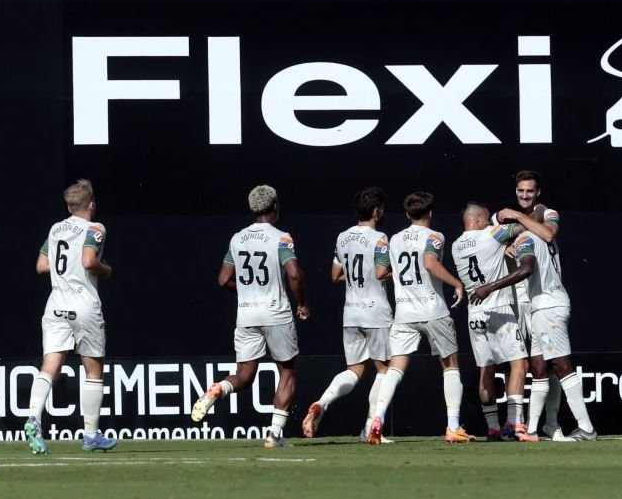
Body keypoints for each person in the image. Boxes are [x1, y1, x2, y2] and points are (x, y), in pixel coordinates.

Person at [191, 185, 310, 448]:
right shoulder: (281, 237)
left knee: (243, 376)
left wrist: (247, 290)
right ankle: (274, 435)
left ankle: (218, 388)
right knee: (287, 373)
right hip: (276, 313)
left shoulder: (237, 238)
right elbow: (294, 273)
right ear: (276, 206)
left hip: (246, 314)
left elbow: (223, 279)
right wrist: (302, 304)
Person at [471, 227, 597, 442]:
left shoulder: (528, 237)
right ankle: (536, 428)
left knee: (561, 366)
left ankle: (585, 428)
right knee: (540, 368)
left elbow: (528, 268)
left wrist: (490, 287)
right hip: (539, 307)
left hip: (548, 307)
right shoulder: (542, 236)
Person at [366, 191, 472, 444]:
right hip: (433, 309)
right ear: (431, 213)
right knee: (450, 366)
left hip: (404, 312)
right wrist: (457, 283)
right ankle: (453, 427)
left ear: (406, 214)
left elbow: (381, 272)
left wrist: (401, 277)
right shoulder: (435, 236)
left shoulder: (393, 239)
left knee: (395, 368)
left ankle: (376, 418)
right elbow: (429, 263)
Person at [25, 179, 116, 454]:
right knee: (93, 369)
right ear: (92, 204)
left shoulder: (55, 229)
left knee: (50, 364)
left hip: (55, 305)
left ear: (68, 206)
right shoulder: (95, 228)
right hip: (83, 304)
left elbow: (42, 265)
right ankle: (90, 436)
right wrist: (105, 269)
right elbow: (89, 261)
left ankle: (33, 417)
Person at [302, 187, 394, 443]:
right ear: (376, 211)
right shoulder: (380, 238)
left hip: (351, 313)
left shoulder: (342, 238)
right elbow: (381, 272)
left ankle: (323, 402)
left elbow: (334, 276)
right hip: (376, 311)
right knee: (384, 369)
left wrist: (358, 277)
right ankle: (370, 429)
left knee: (354, 369)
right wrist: (403, 275)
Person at [493, 170, 565, 441]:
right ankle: (518, 424)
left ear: (538, 193)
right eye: (521, 191)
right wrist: (502, 250)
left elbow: (548, 234)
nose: (524, 195)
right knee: (518, 364)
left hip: (540, 299)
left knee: (549, 365)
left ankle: (551, 423)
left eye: (530, 191)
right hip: (514, 300)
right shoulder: (502, 216)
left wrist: (521, 219)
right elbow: (489, 239)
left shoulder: (548, 213)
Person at [451, 202, 528, 441]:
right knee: (519, 364)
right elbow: (520, 228)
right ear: (476, 220)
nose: (489, 222)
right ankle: (514, 424)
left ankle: (493, 427)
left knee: (486, 368)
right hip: (498, 308)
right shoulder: (491, 234)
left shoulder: (455, 246)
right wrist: (516, 216)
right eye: (486, 219)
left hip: (474, 313)